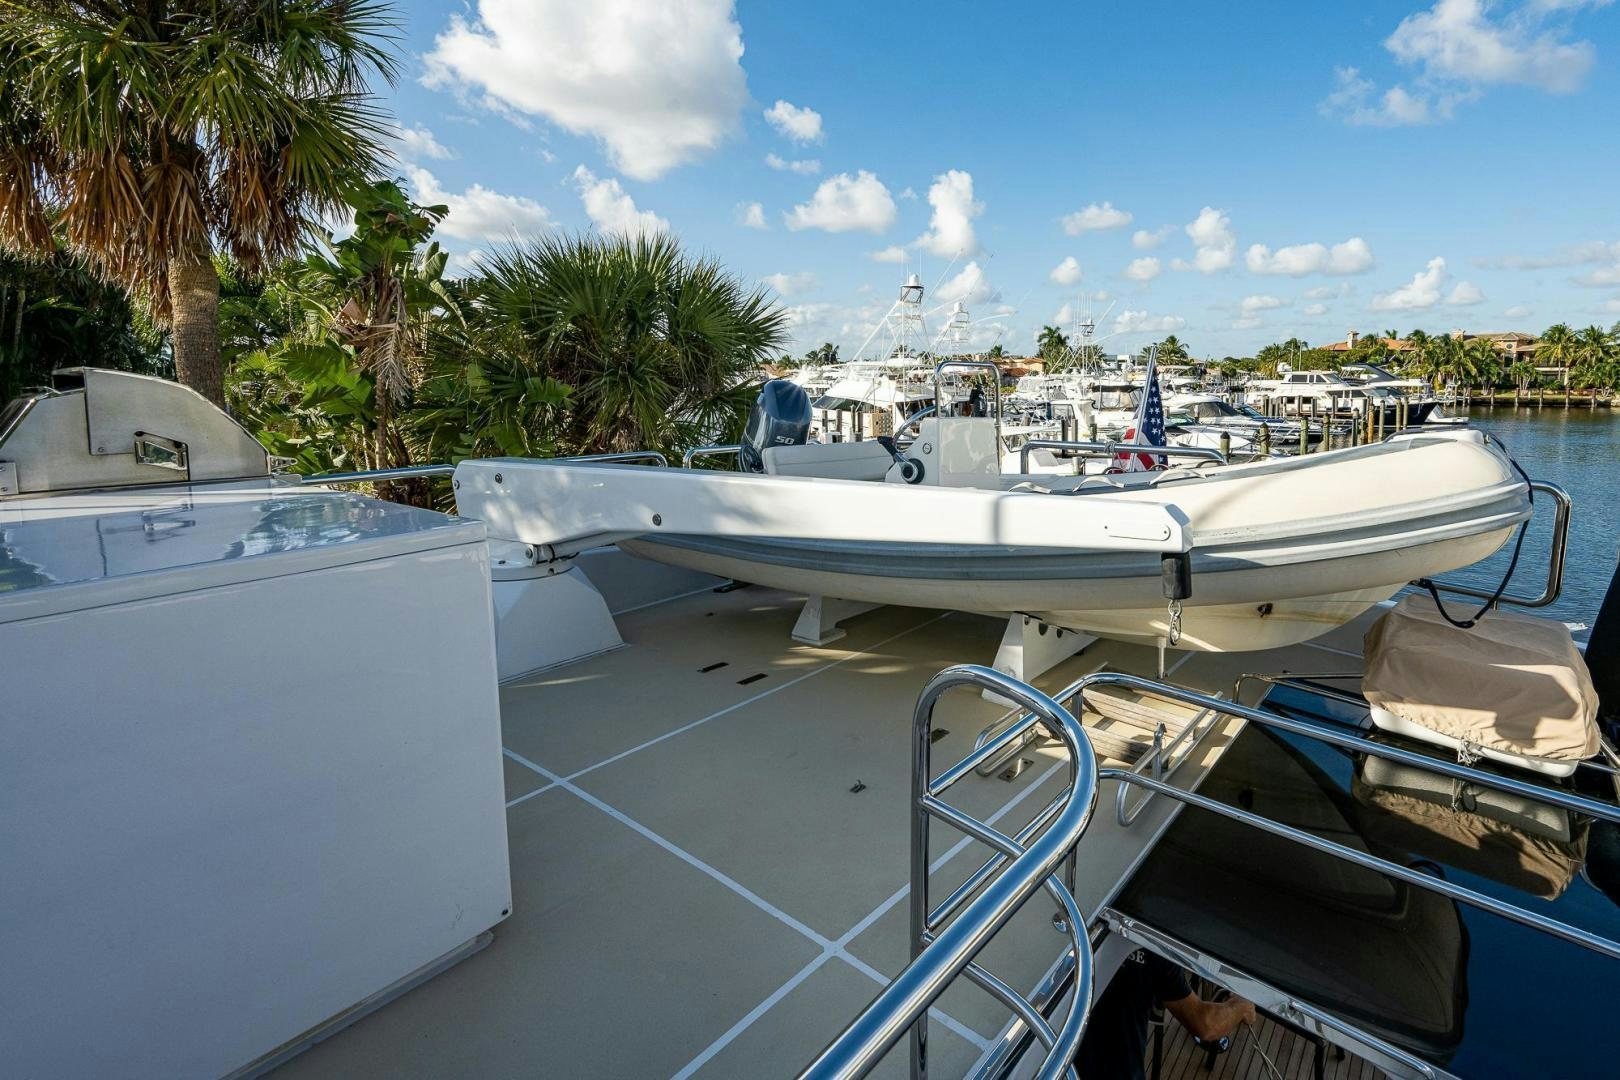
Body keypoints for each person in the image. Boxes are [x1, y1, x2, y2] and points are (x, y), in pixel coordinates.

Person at [1073, 948, 1255, 1080]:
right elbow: (1205, 1025)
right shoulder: (1152, 947)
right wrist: (1241, 1006)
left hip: (1058, 1064)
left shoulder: (1063, 925)